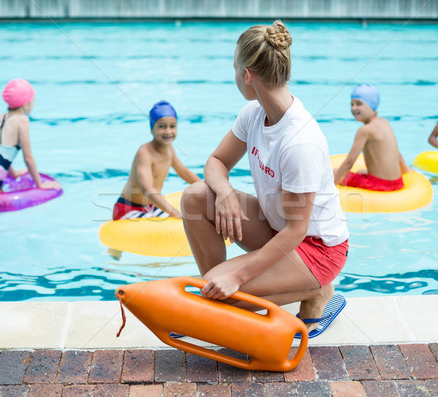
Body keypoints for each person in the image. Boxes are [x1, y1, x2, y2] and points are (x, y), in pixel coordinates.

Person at [181, 21, 349, 337]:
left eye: (234, 68)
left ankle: (316, 290)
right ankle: (221, 295)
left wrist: (239, 275)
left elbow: (298, 229)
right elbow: (216, 162)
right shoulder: (254, 113)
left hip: (314, 248)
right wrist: (225, 191)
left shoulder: (300, 141)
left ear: (247, 75)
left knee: (210, 297)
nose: (234, 76)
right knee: (195, 196)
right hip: (276, 229)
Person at [0, 79, 61, 194]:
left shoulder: (2, 117)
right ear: (26, 104)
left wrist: (13, 174)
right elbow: (28, 158)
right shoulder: (23, 120)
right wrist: (40, 185)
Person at [112, 100, 200, 221]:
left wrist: (204, 187)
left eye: (172, 126)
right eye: (161, 126)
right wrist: (173, 211)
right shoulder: (144, 153)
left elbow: (184, 172)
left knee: (184, 223)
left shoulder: (170, 150)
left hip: (150, 207)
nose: (168, 131)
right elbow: (147, 189)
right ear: (151, 129)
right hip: (128, 208)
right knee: (172, 221)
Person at [333, 84, 411, 191]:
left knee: (334, 172)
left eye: (359, 104)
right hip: (397, 183)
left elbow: (348, 163)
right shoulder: (385, 122)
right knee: (361, 171)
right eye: (351, 104)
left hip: (379, 185)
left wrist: (332, 186)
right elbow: (397, 153)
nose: (353, 108)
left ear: (372, 106)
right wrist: (406, 170)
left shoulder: (364, 130)